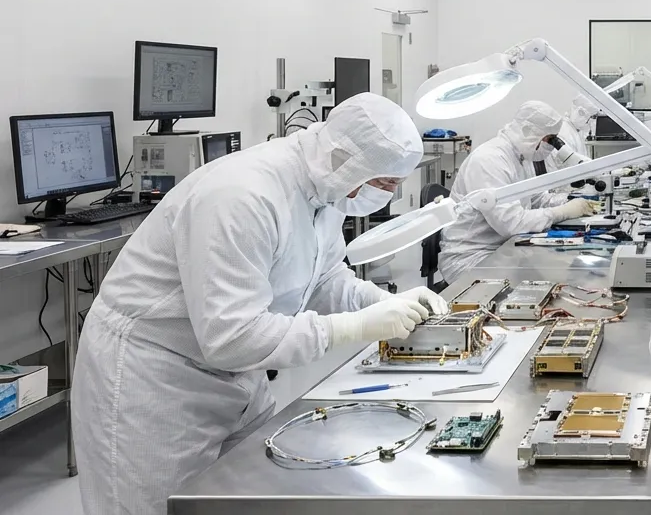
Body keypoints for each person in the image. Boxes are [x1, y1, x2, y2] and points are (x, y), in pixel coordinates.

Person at [73, 93, 451, 515]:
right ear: (346, 159)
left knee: (247, 493)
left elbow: (323, 277)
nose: (384, 197)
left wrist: (385, 302)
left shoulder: (324, 189)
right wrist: (355, 327)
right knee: (156, 507)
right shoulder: (243, 195)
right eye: (383, 185)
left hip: (237, 375)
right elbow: (231, 337)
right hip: (155, 377)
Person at [439, 100, 597, 281]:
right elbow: (512, 224)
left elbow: (536, 199)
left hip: (502, 247)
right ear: (528, 132)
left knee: (555, 269)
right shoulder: (490, 160)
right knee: (548, 279)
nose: (550, 147)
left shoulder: (522, 158)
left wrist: (571, 200)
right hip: (471, 258)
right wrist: (562, 212)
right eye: (549, 140)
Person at [554, 93, 595, 162]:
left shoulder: (577, 131)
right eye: (582, 113)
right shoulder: (564, 132)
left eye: (593, 117)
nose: (588, 121)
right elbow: (572, 161)